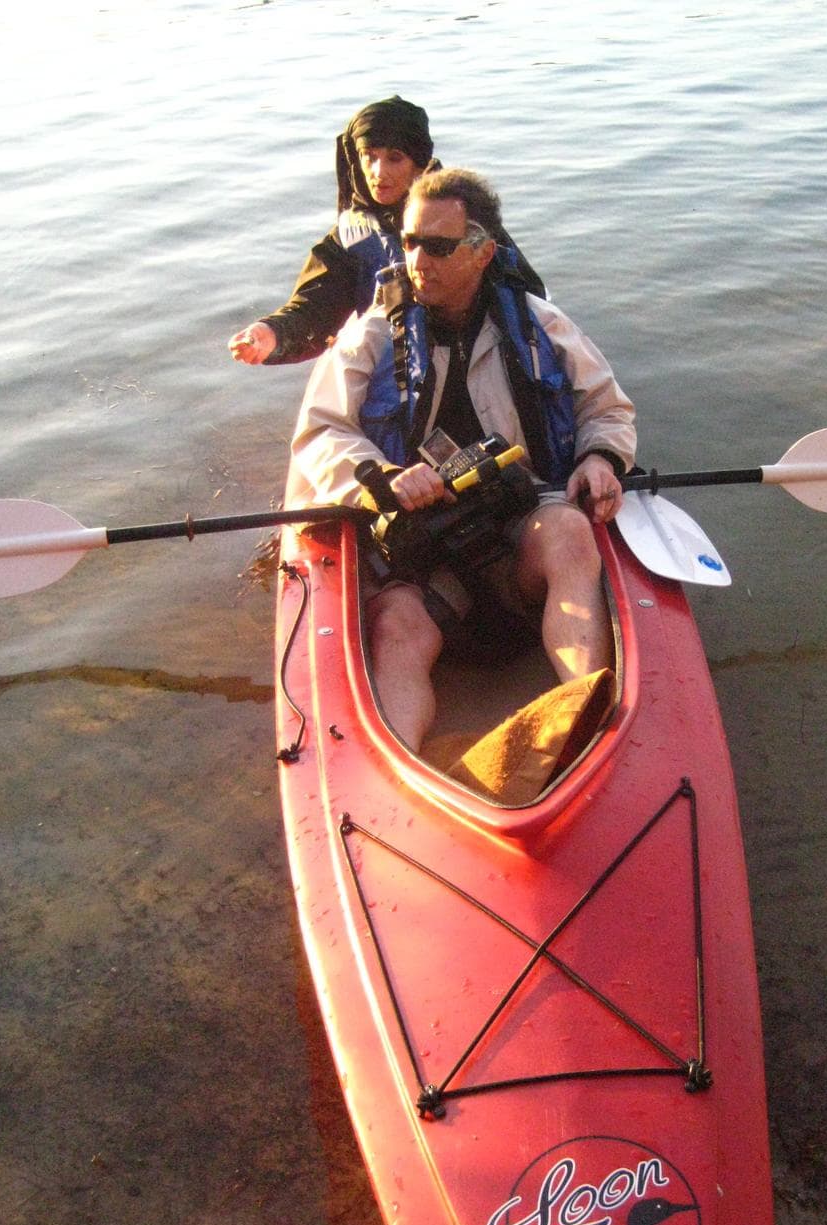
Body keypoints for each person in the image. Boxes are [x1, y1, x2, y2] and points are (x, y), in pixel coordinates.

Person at [291, 168, 636, 752]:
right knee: (395, 626)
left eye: (438, 246)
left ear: (483, 253)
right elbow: (320, 432)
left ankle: (588, 728)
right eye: (409, 241)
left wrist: (601, 458)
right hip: (423, 553)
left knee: (573, 534)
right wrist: (387, 478)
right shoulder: (374, 333)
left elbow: (606, 408)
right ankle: (401, 776)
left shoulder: (538, 325)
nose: (417, 259)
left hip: (516, 530)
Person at [229, 96, 545, 366]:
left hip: (475, 358)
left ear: (420, 164)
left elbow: (528, 296)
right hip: (395, 365)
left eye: (395, 158)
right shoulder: (352, 237)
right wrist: (271, 334)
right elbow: (314, 307)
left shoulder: (463, 215)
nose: (379, 173)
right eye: (370, 156)